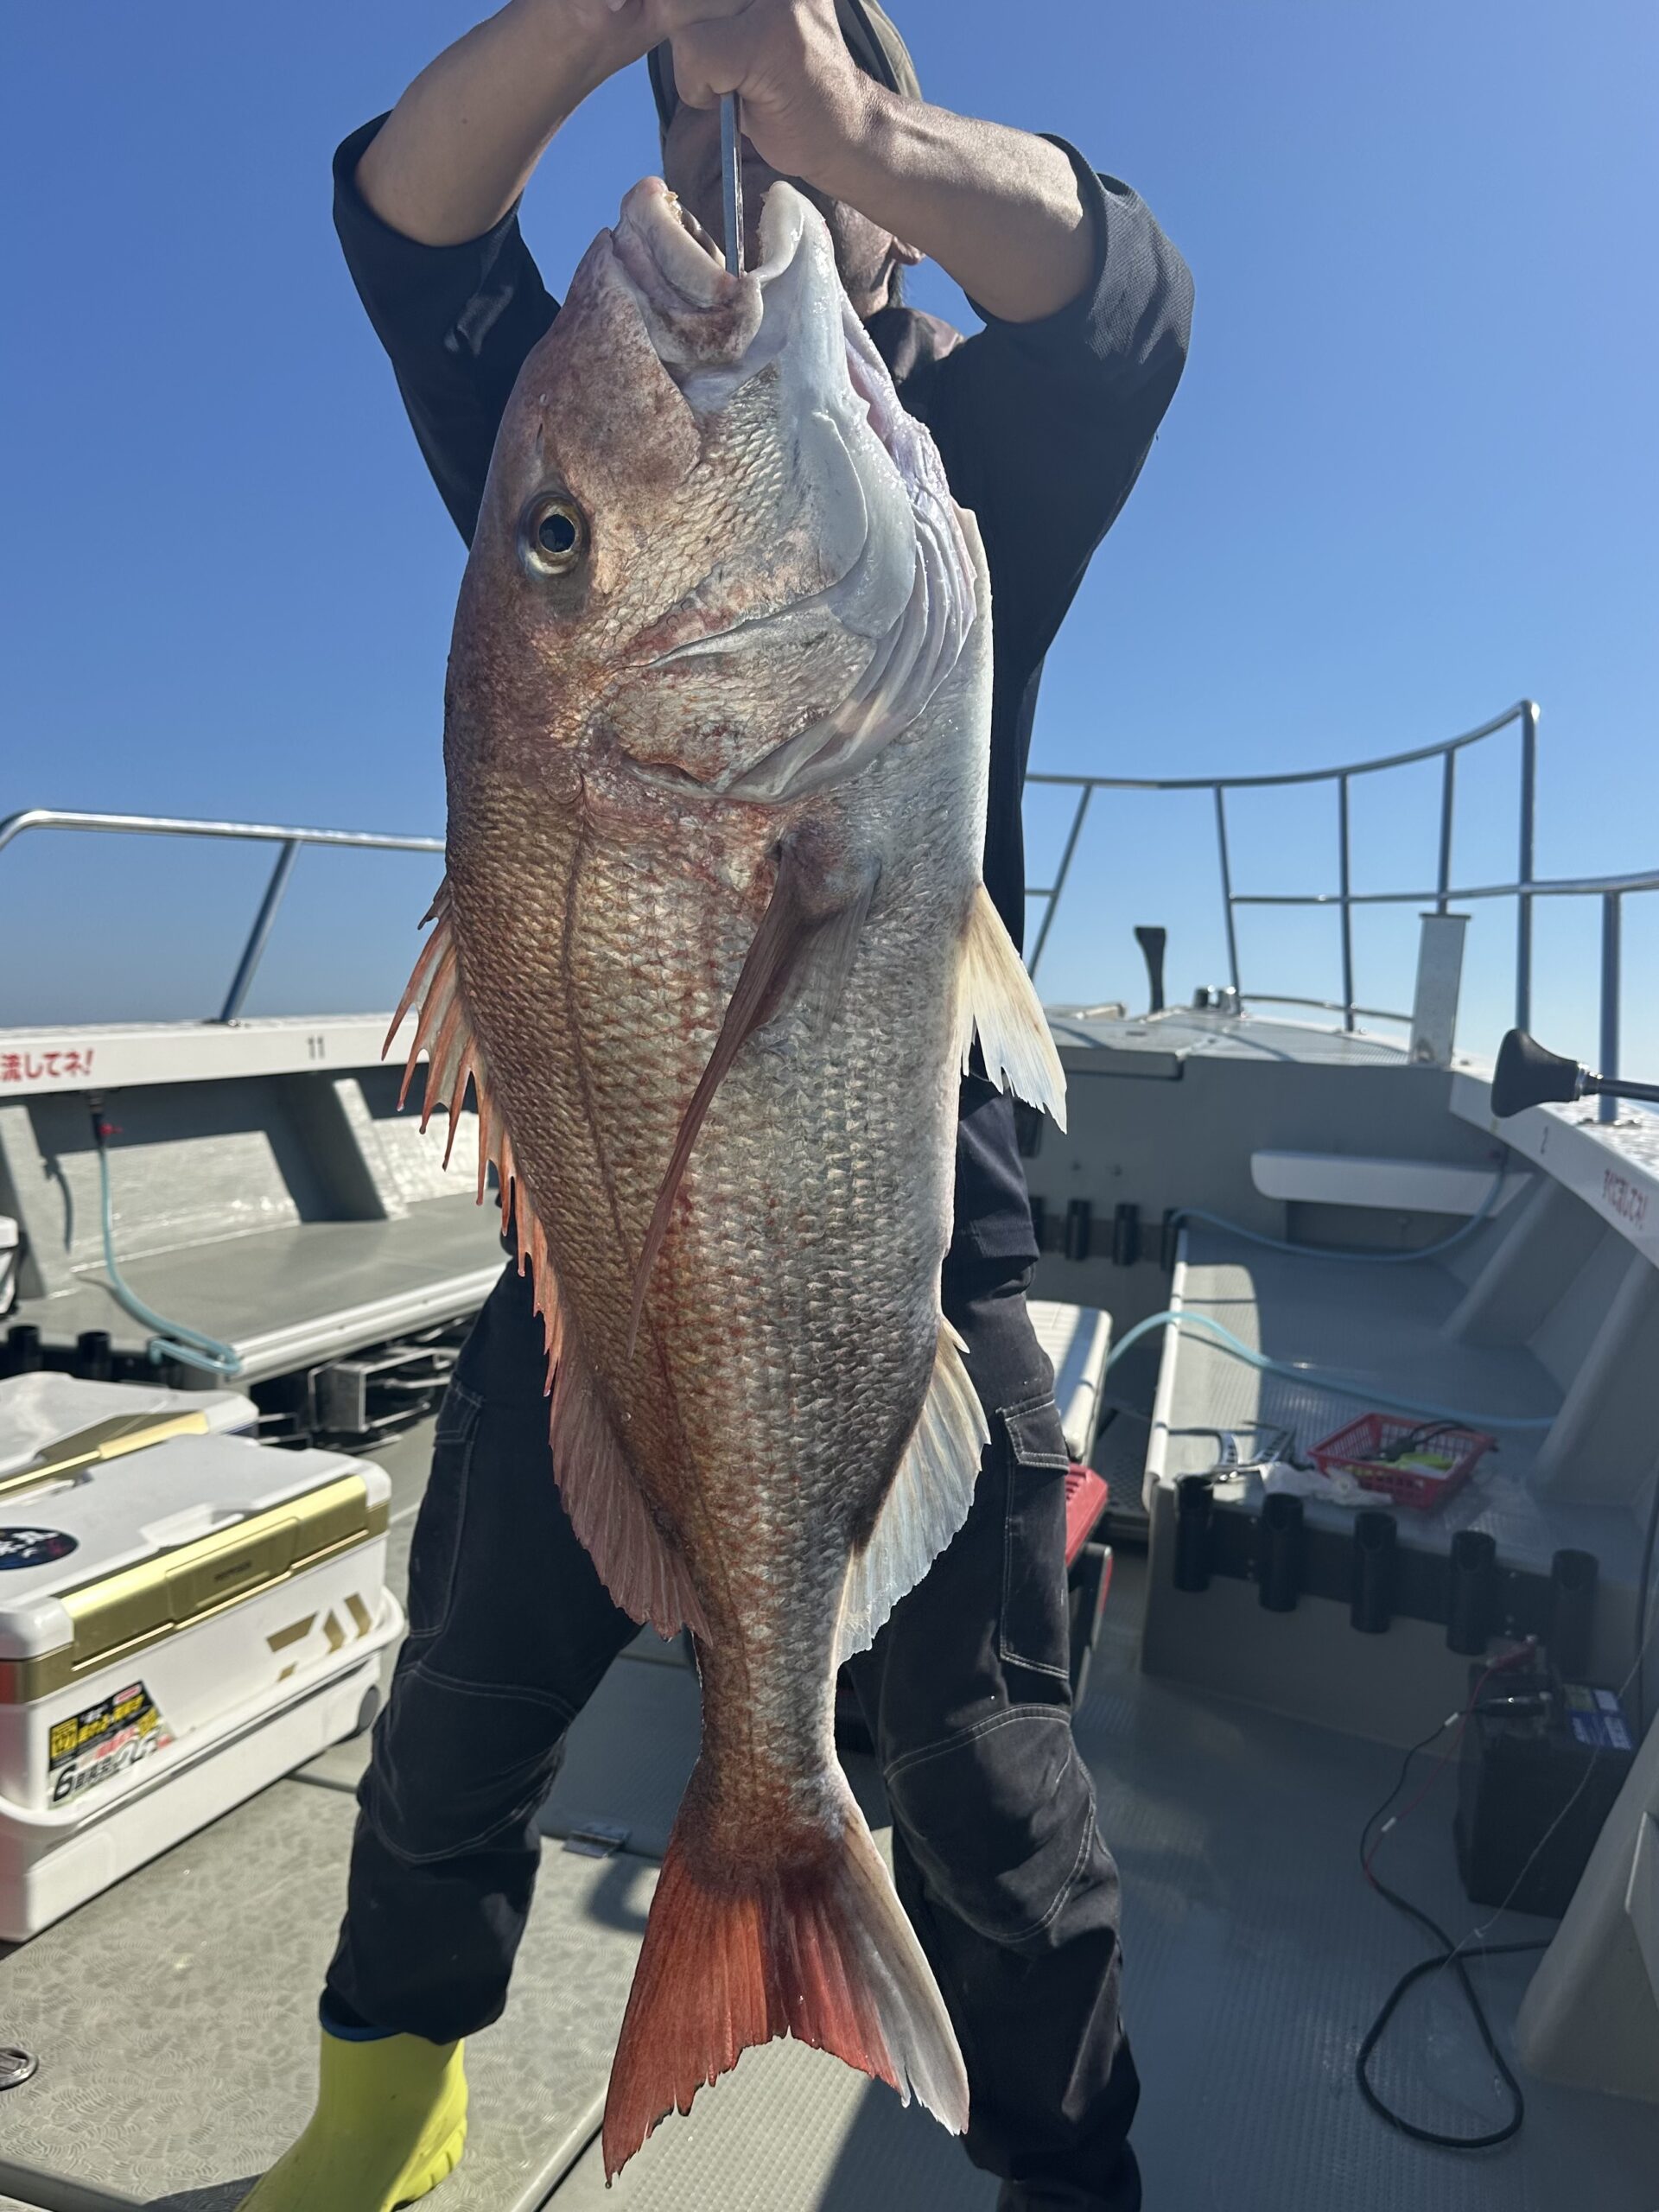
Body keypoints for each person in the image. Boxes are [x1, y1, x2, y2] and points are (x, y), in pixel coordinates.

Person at [243, 6, 1190, 2208]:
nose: (737, 134)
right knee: (460, 1716)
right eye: (703, 103)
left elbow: (1127, 296)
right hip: (600, 1270)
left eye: (798, 96)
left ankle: (1075, 2171)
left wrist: (841, 114)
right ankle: (384, 2118)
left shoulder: (972, 450)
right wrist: (606, 14)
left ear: (895, 188)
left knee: (986, 1779)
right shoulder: (595, 427)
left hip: (923, 1244)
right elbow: (403, 218)